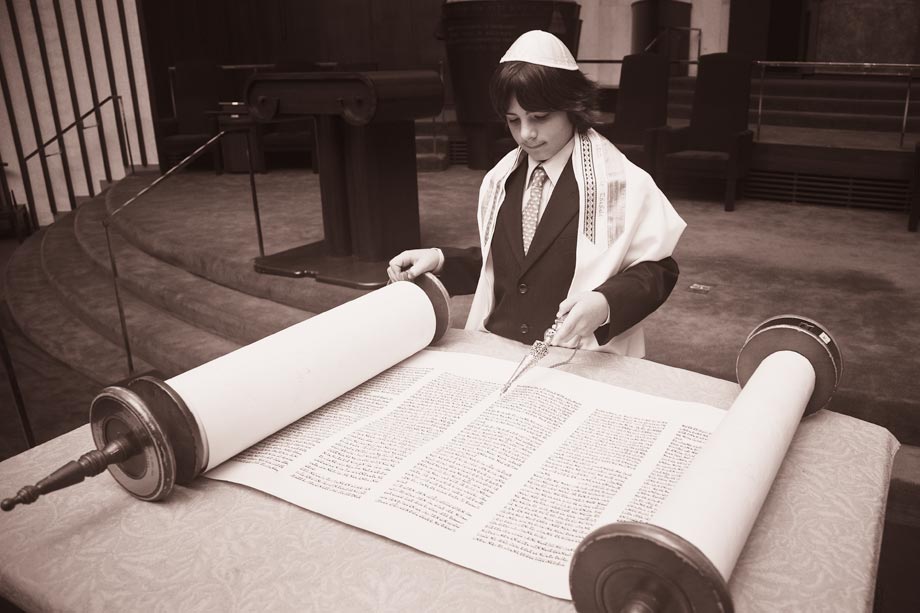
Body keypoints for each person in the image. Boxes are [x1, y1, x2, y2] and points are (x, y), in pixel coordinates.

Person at [387, 30, 685, 356]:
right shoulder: (501, 180)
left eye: (540, 118)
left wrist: (606, 302)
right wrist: (440, 260)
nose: (526, 134)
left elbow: (657, 270)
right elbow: (509, 265)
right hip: (499, 349)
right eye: (513, 120)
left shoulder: (622, 182)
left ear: (573, 107)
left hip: (576, 358)